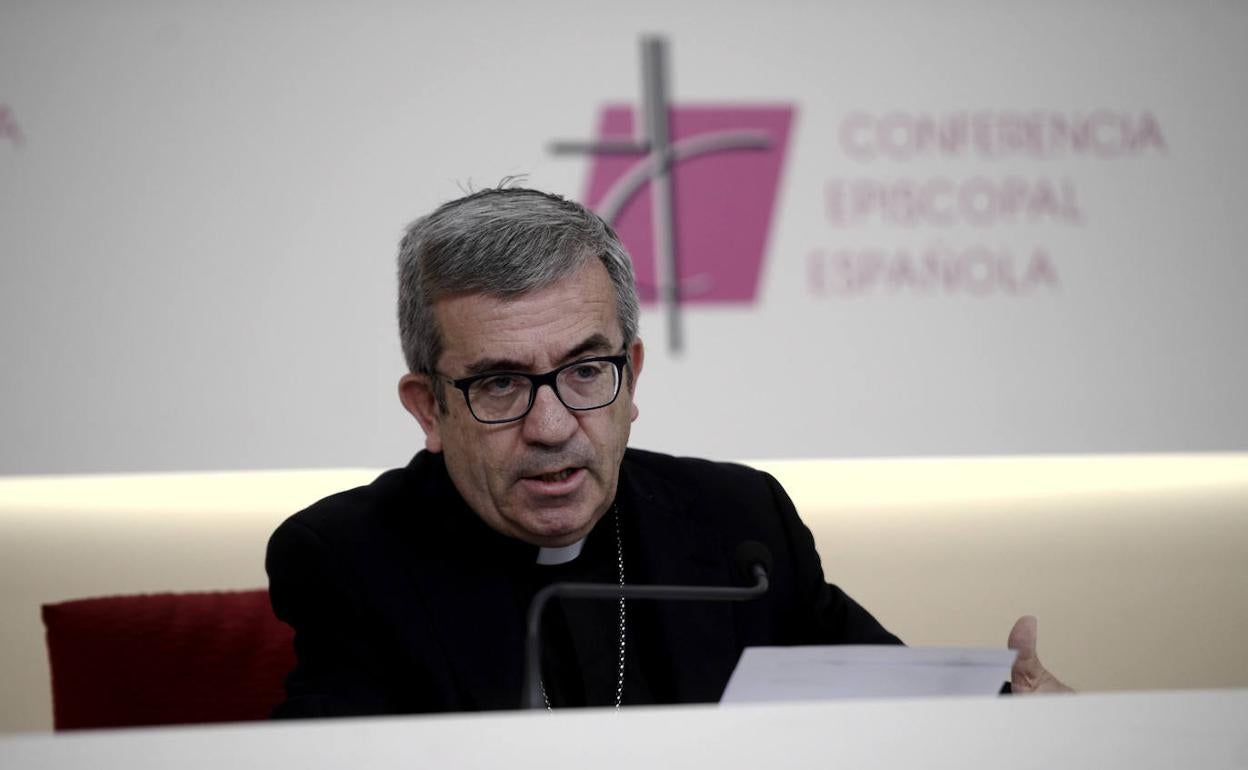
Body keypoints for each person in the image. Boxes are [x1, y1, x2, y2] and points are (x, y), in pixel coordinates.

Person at [265, 186, 1068, 717]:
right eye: (501, 384)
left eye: (587, 371)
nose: (552, 426)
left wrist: (1017, 723)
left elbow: (889, 714)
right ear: (429, 408)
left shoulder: (739, 527)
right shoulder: (348, 559)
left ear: (633, 376)